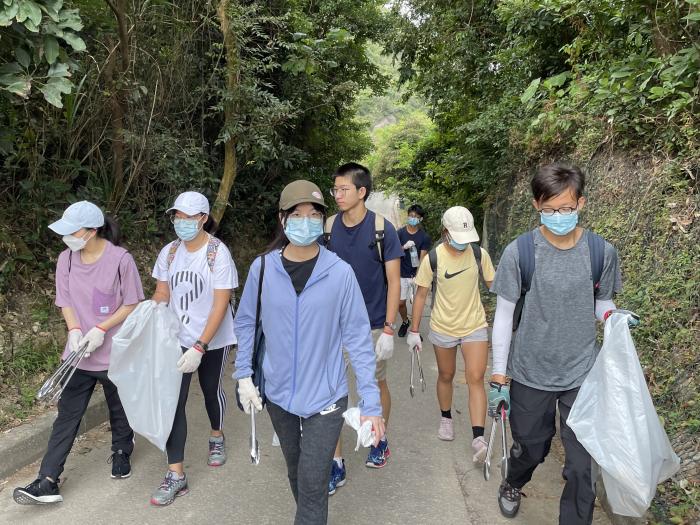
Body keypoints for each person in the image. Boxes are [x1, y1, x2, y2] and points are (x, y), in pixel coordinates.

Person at [488, 164, 634, 524]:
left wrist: (613, 318)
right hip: (530, 372)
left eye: (566, 208)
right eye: (549, 209)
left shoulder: (601, 252)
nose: (558, 216)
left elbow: (601, 304)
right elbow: (504, 316)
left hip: (582, 374)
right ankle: (514, 479)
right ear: (537, 205)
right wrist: (498, 375)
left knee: (583, 468)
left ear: (581, 203)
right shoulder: (520, 253)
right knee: (531, 449)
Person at [234, 180, 384, 525]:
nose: (306, 221)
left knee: (314, 482)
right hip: (278, 393)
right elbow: (245, 323)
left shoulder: (340, 273)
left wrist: (371, 405)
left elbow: (360, 340)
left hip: (327, 398)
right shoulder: (262, 268)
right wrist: (243, 374)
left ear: (322, 220)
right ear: (283, 219)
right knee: (295, 472)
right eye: (297, 214)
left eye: (314, 214)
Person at [13, 201, 144, 505]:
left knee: (118, 406)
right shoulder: (66, 260)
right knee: (66, 416)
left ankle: (122, 450)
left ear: (93, 230)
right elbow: (65, 299)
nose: (67, 237)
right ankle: (47, 480)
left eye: (73, 231)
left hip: (113, 350)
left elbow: (132, 302)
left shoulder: (120, 259)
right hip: (78, 355)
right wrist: (74, 330)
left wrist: (101, 329)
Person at [149, 191, 238, 506]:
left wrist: (201, 345)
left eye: (189, 217)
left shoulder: (217, 253)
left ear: (203, 218)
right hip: (177, 337)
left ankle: (217, 435)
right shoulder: (170, 252)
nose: (182, 223)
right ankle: (176, 475)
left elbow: (221, 301)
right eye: (178, 216)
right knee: (174, 401)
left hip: (212, 338)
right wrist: (151, 311)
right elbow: (162, 291)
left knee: (211, 390)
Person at [322, 162, 403, 493]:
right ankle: (336, 462)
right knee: (331, 393)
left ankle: (377, 440)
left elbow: (394, 281)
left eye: (343, 189)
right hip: (332, 327)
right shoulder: (328, 227)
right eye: (335, 189)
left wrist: (388, 328)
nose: (338, 195)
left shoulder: (382, 229)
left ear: (361, 192)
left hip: (370, 325)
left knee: (376, 385)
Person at [407, 206, 495, 459]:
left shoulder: (479, 254)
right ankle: (446, 418)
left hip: (474, 324)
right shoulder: (433, 258)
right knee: (446, 375)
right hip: (443, 326)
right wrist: (414, 331)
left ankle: (478, 436)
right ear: (445, 232)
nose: (462, 243)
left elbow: (494, 283)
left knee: (475, 377)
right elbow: (422, 294)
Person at [396, 204, 431, 337]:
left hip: (415, 275)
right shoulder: (399, 233)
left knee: (417, 303)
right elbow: (392, 252)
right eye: (411, 215)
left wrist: (418, 276)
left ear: (420, 219)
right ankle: (405, 321)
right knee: (400, 303)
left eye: (416, 217)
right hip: (401, 273)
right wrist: (403, 247)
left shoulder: (424, 237)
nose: (413, 218)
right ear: (407, 216)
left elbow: (423, 258)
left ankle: (415, 330)